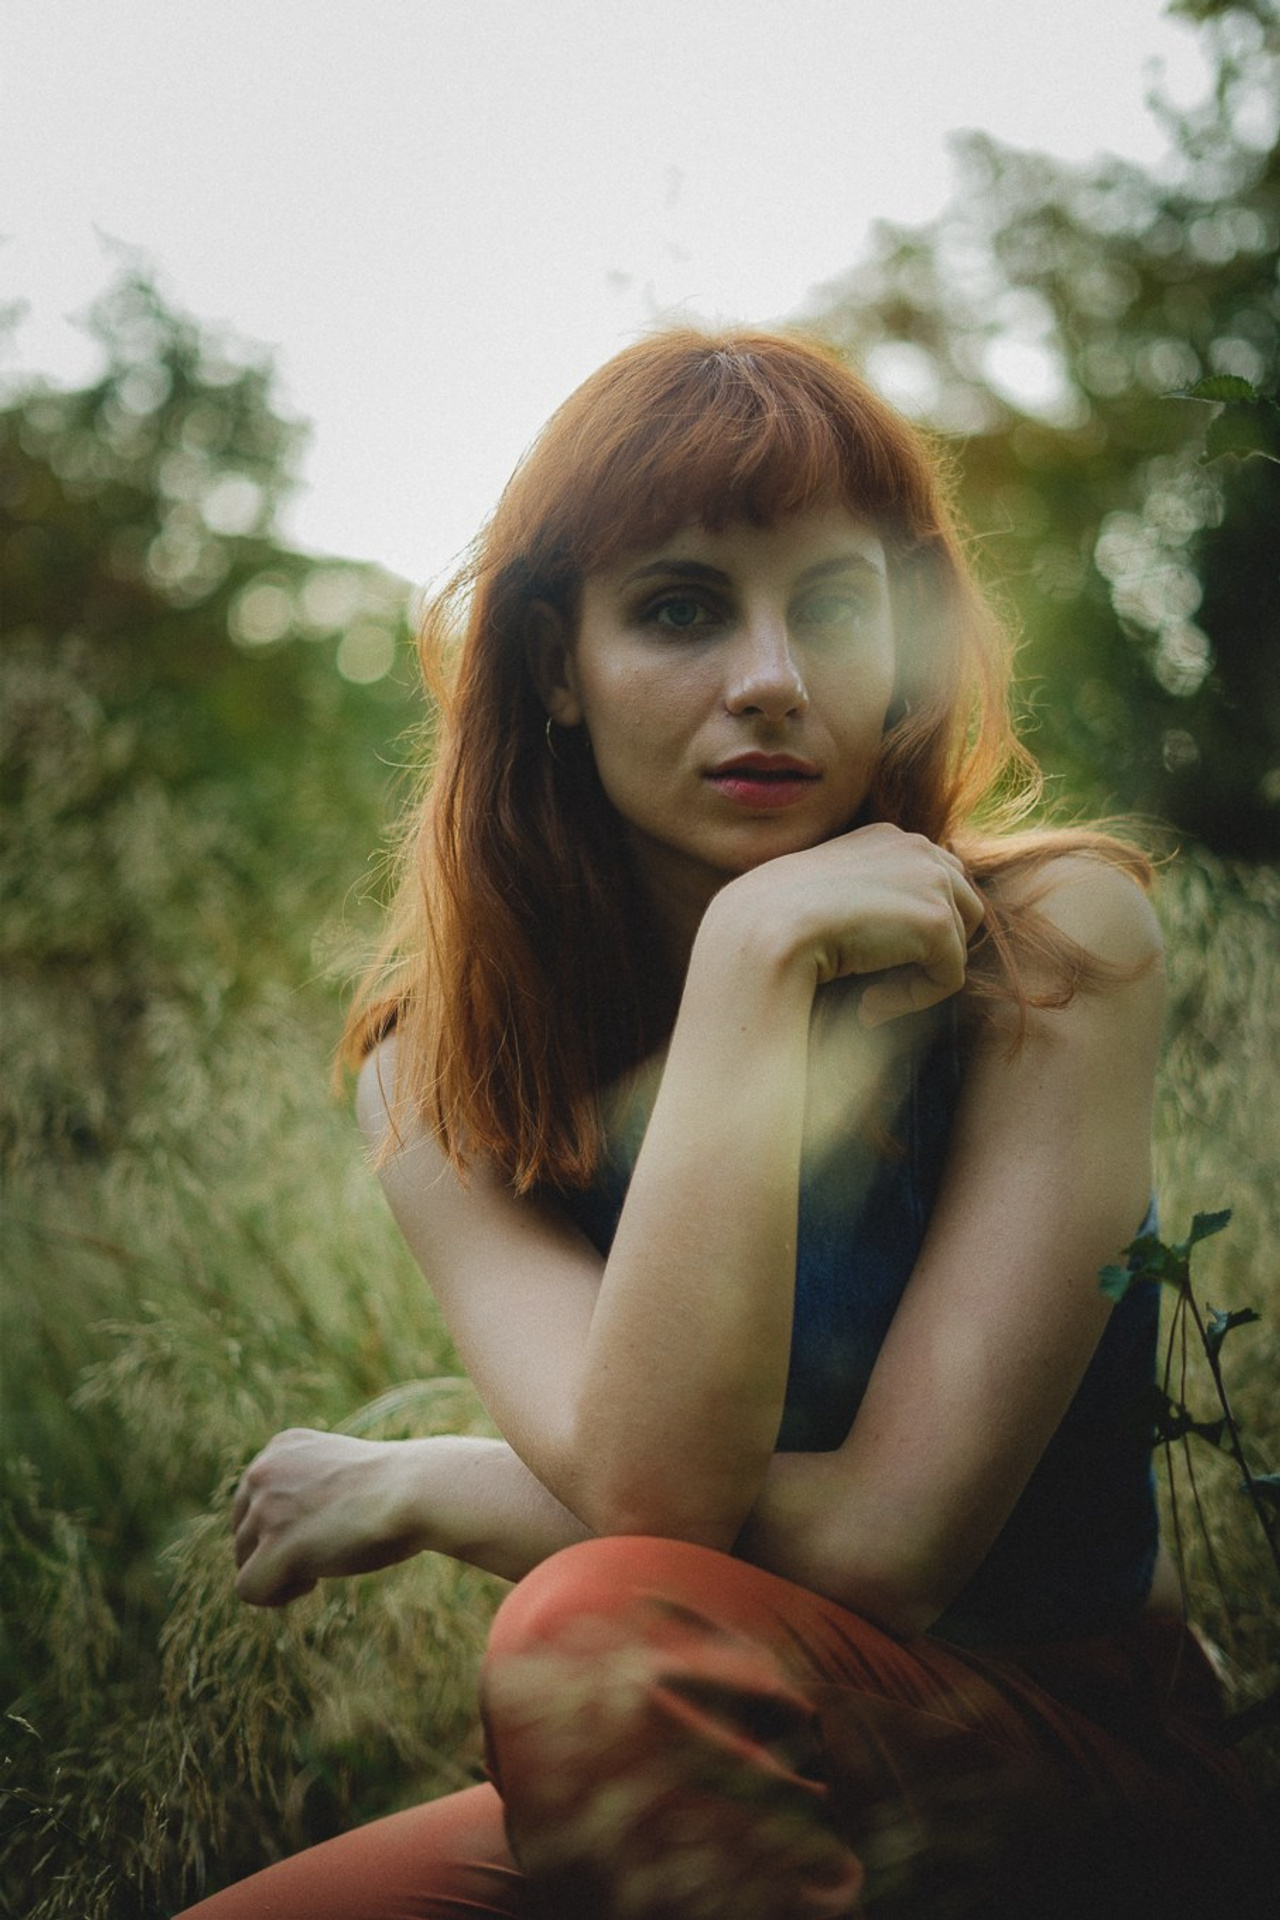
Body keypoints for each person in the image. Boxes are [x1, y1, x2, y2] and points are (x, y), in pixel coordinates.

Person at [180, 330, 1263, 1919]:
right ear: (552, 665)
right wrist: (753, 975)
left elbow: (882, 1557)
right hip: (702, 1725)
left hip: (1075, 1752)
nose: (772, 678)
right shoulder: (437, 1075)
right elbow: (660, 1495)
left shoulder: (1056, 948)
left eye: (831, 608)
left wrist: (431, 1484)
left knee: (593, 1642)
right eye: (682, 609)